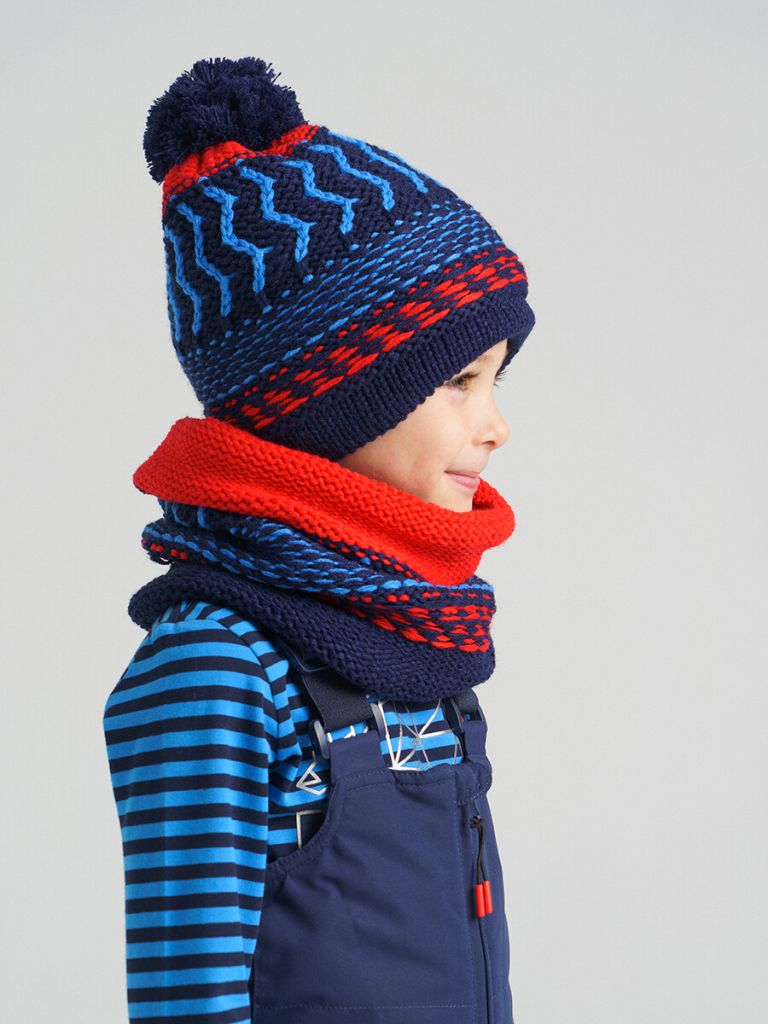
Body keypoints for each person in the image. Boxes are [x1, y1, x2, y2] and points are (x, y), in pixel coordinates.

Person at [103, 56, 536, 1024]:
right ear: (331, 398)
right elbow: (186, 991)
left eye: (498, 379)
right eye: (458, 381)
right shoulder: (217, 665)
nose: (496, 425)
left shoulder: (411, 634)